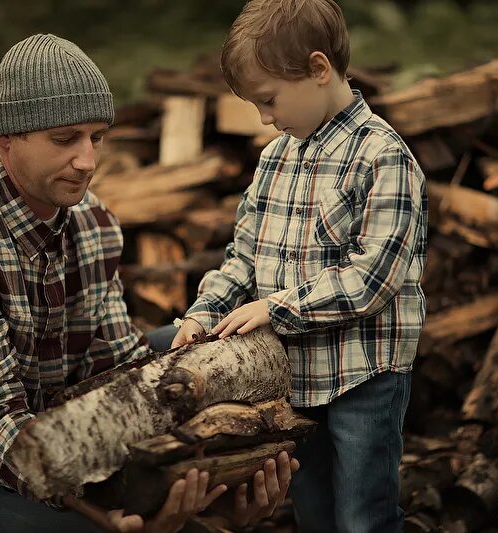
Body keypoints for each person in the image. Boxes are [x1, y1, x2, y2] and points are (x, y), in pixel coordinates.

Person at [0, 33, 295, 533]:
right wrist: (113, 509)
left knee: (193, 352)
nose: (87, 161)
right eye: (65, 139)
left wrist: (199, 471)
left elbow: (117, 365)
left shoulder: (94, 222)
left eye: (97, 137)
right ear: (6, 140)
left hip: (55, 434)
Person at [171, 1, 428, 531]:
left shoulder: (384, 158)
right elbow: (243, 258)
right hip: (296, 380)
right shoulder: (274, 160)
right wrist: (202, 314)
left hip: (365, 376)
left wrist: (277, 307)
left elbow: (372, 279)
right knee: (313, 512)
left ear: (317, 69)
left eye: (268, 100)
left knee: (362, 515)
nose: (264, 117)